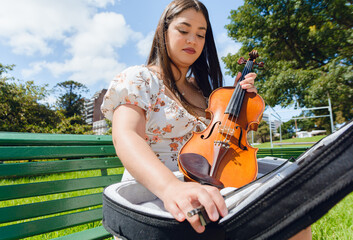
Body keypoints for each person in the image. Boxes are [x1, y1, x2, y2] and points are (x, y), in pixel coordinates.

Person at [101, 0, 311, 239]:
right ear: (164, 30)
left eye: (201, 35)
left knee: (292, 211)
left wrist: (240, 100)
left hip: (210, 187)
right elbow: (126, 136)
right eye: (183, 30)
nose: (193, 40)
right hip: (157, 194)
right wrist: (171, 187)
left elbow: (225, 142)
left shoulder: (204, 92)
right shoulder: (139, 78)